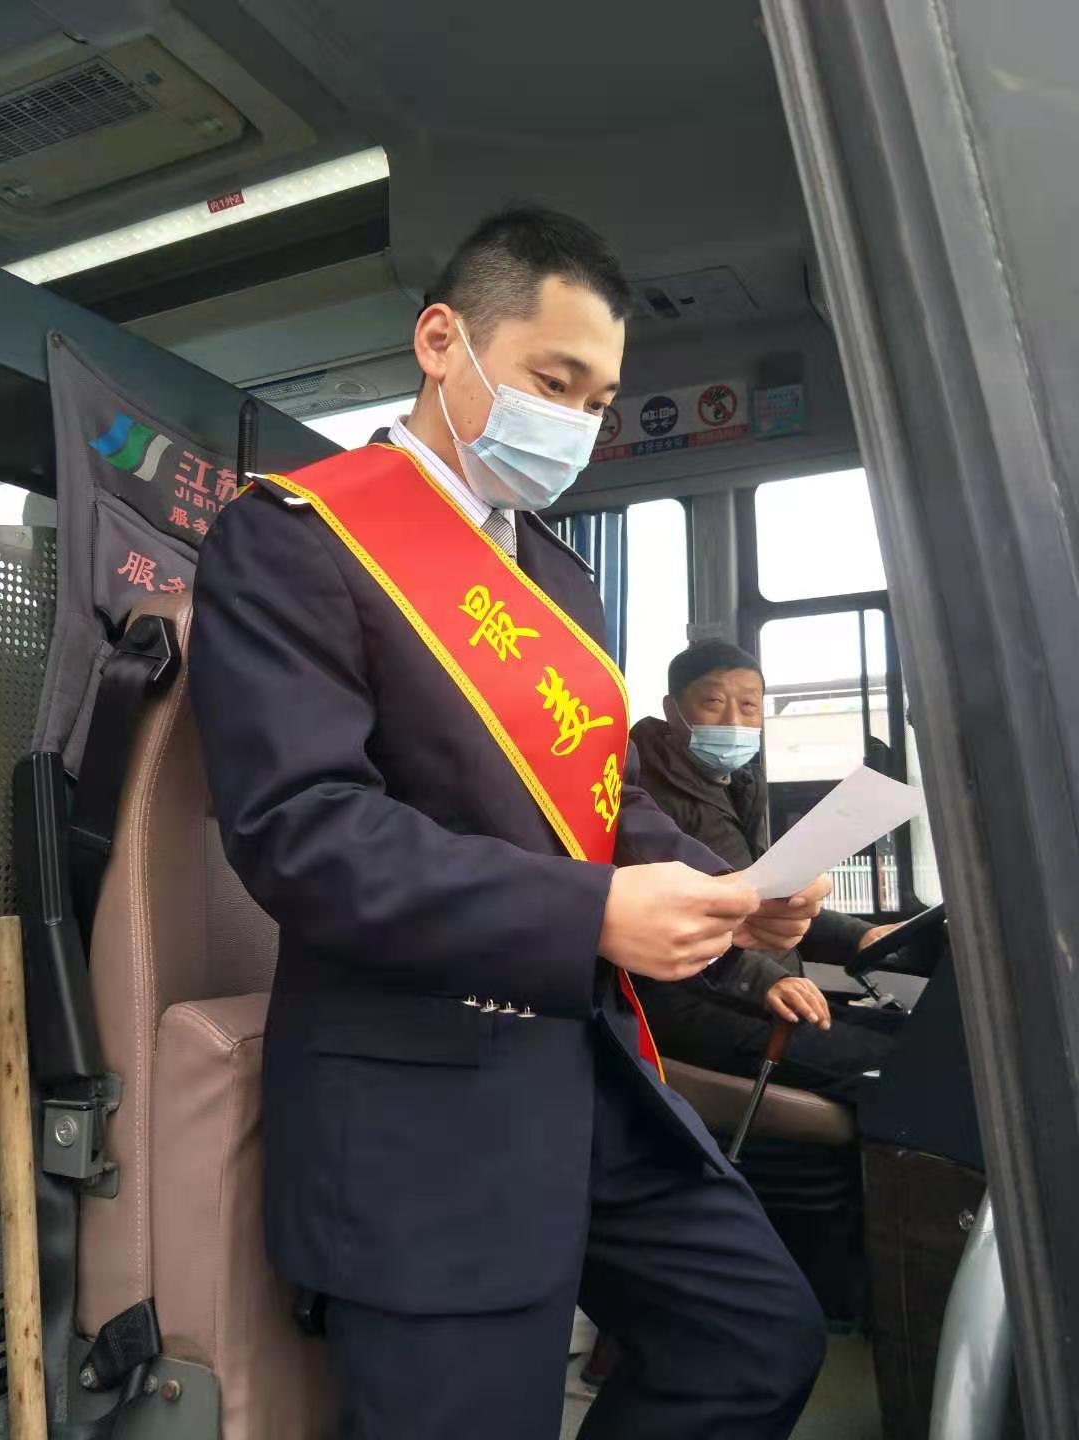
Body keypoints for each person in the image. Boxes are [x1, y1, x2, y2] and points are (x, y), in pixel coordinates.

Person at [189, 207, 833, 1440]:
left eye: (600, 402)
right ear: (443, 342)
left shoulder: (556, 570)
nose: (579, 425)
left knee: (757, 1338)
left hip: (589, 1071)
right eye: (554, 382)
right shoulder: (293, 540)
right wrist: (590, 914)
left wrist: (735, 898)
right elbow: (301, 830)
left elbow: (605, 798)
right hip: (421, 1104)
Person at [631, 639, 902, 1105]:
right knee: (904, 1071)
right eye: (713, 702)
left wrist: (862, 937)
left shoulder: (736, 784)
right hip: (692, 1003)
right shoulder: (643, 796)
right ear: (672, 709)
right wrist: (763, 980)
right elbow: (673, 915)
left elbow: (766, 898)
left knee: (908, 1038)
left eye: (749, 706)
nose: (733, 721)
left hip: (761, 993)